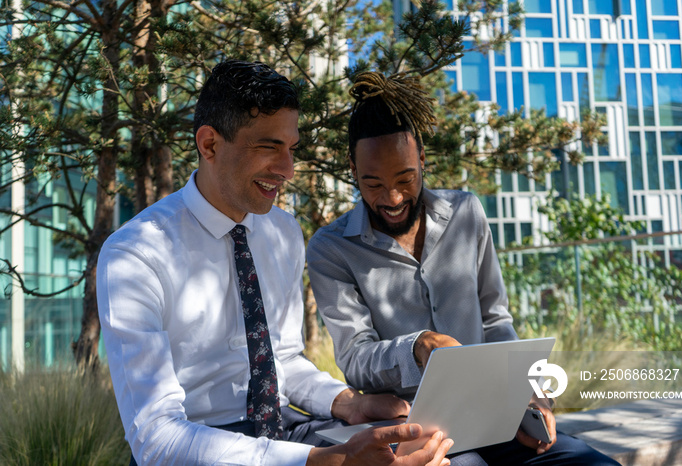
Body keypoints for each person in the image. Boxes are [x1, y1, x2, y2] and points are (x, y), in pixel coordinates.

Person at [97, 60, 454, 465]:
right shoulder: (134, 255)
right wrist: (320, 462)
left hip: (285, 429)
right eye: (269, 147)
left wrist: (348, 404)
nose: (287, 170)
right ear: (209, 144)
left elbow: (283, 360)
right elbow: (157, 440)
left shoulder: (282, 231)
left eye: (291, 148)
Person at [306, 71, 621, 465]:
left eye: (406, 178)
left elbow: (494, 319)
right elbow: (355, 356)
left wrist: (528, 388)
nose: (392, 197)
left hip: (494, 413)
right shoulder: (330, 249)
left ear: (422, 157)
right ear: (352, 169)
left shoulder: (466, 212)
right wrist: (417, 346)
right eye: (373, 184)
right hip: (414, 433)